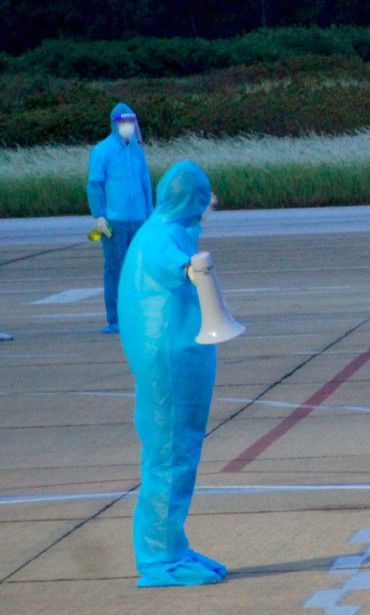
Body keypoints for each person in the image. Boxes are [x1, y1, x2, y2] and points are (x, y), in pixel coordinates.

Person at [118, 161, 226, 587]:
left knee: (177, 454)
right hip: (169, 359)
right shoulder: (162, 238)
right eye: (204, 198)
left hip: (176, 354)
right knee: (169, 455)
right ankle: (159, 558)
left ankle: (171, 544)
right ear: (190, 198)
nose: (207, 207)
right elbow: (180, 268)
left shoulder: (166, 231)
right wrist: (193, 267)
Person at [87, 102, 154, 334]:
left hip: (138, 219)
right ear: (115, 123)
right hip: (114, 222)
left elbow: (145, 183)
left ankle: (136, 315)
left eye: (131, 121)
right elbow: (95, 185)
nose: (129, 126)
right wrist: (100, 216)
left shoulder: (137, 150)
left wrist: (150, 214)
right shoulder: (102, 151)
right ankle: (114, 318)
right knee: (115, 268)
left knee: (138, 269)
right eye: (124, 121)